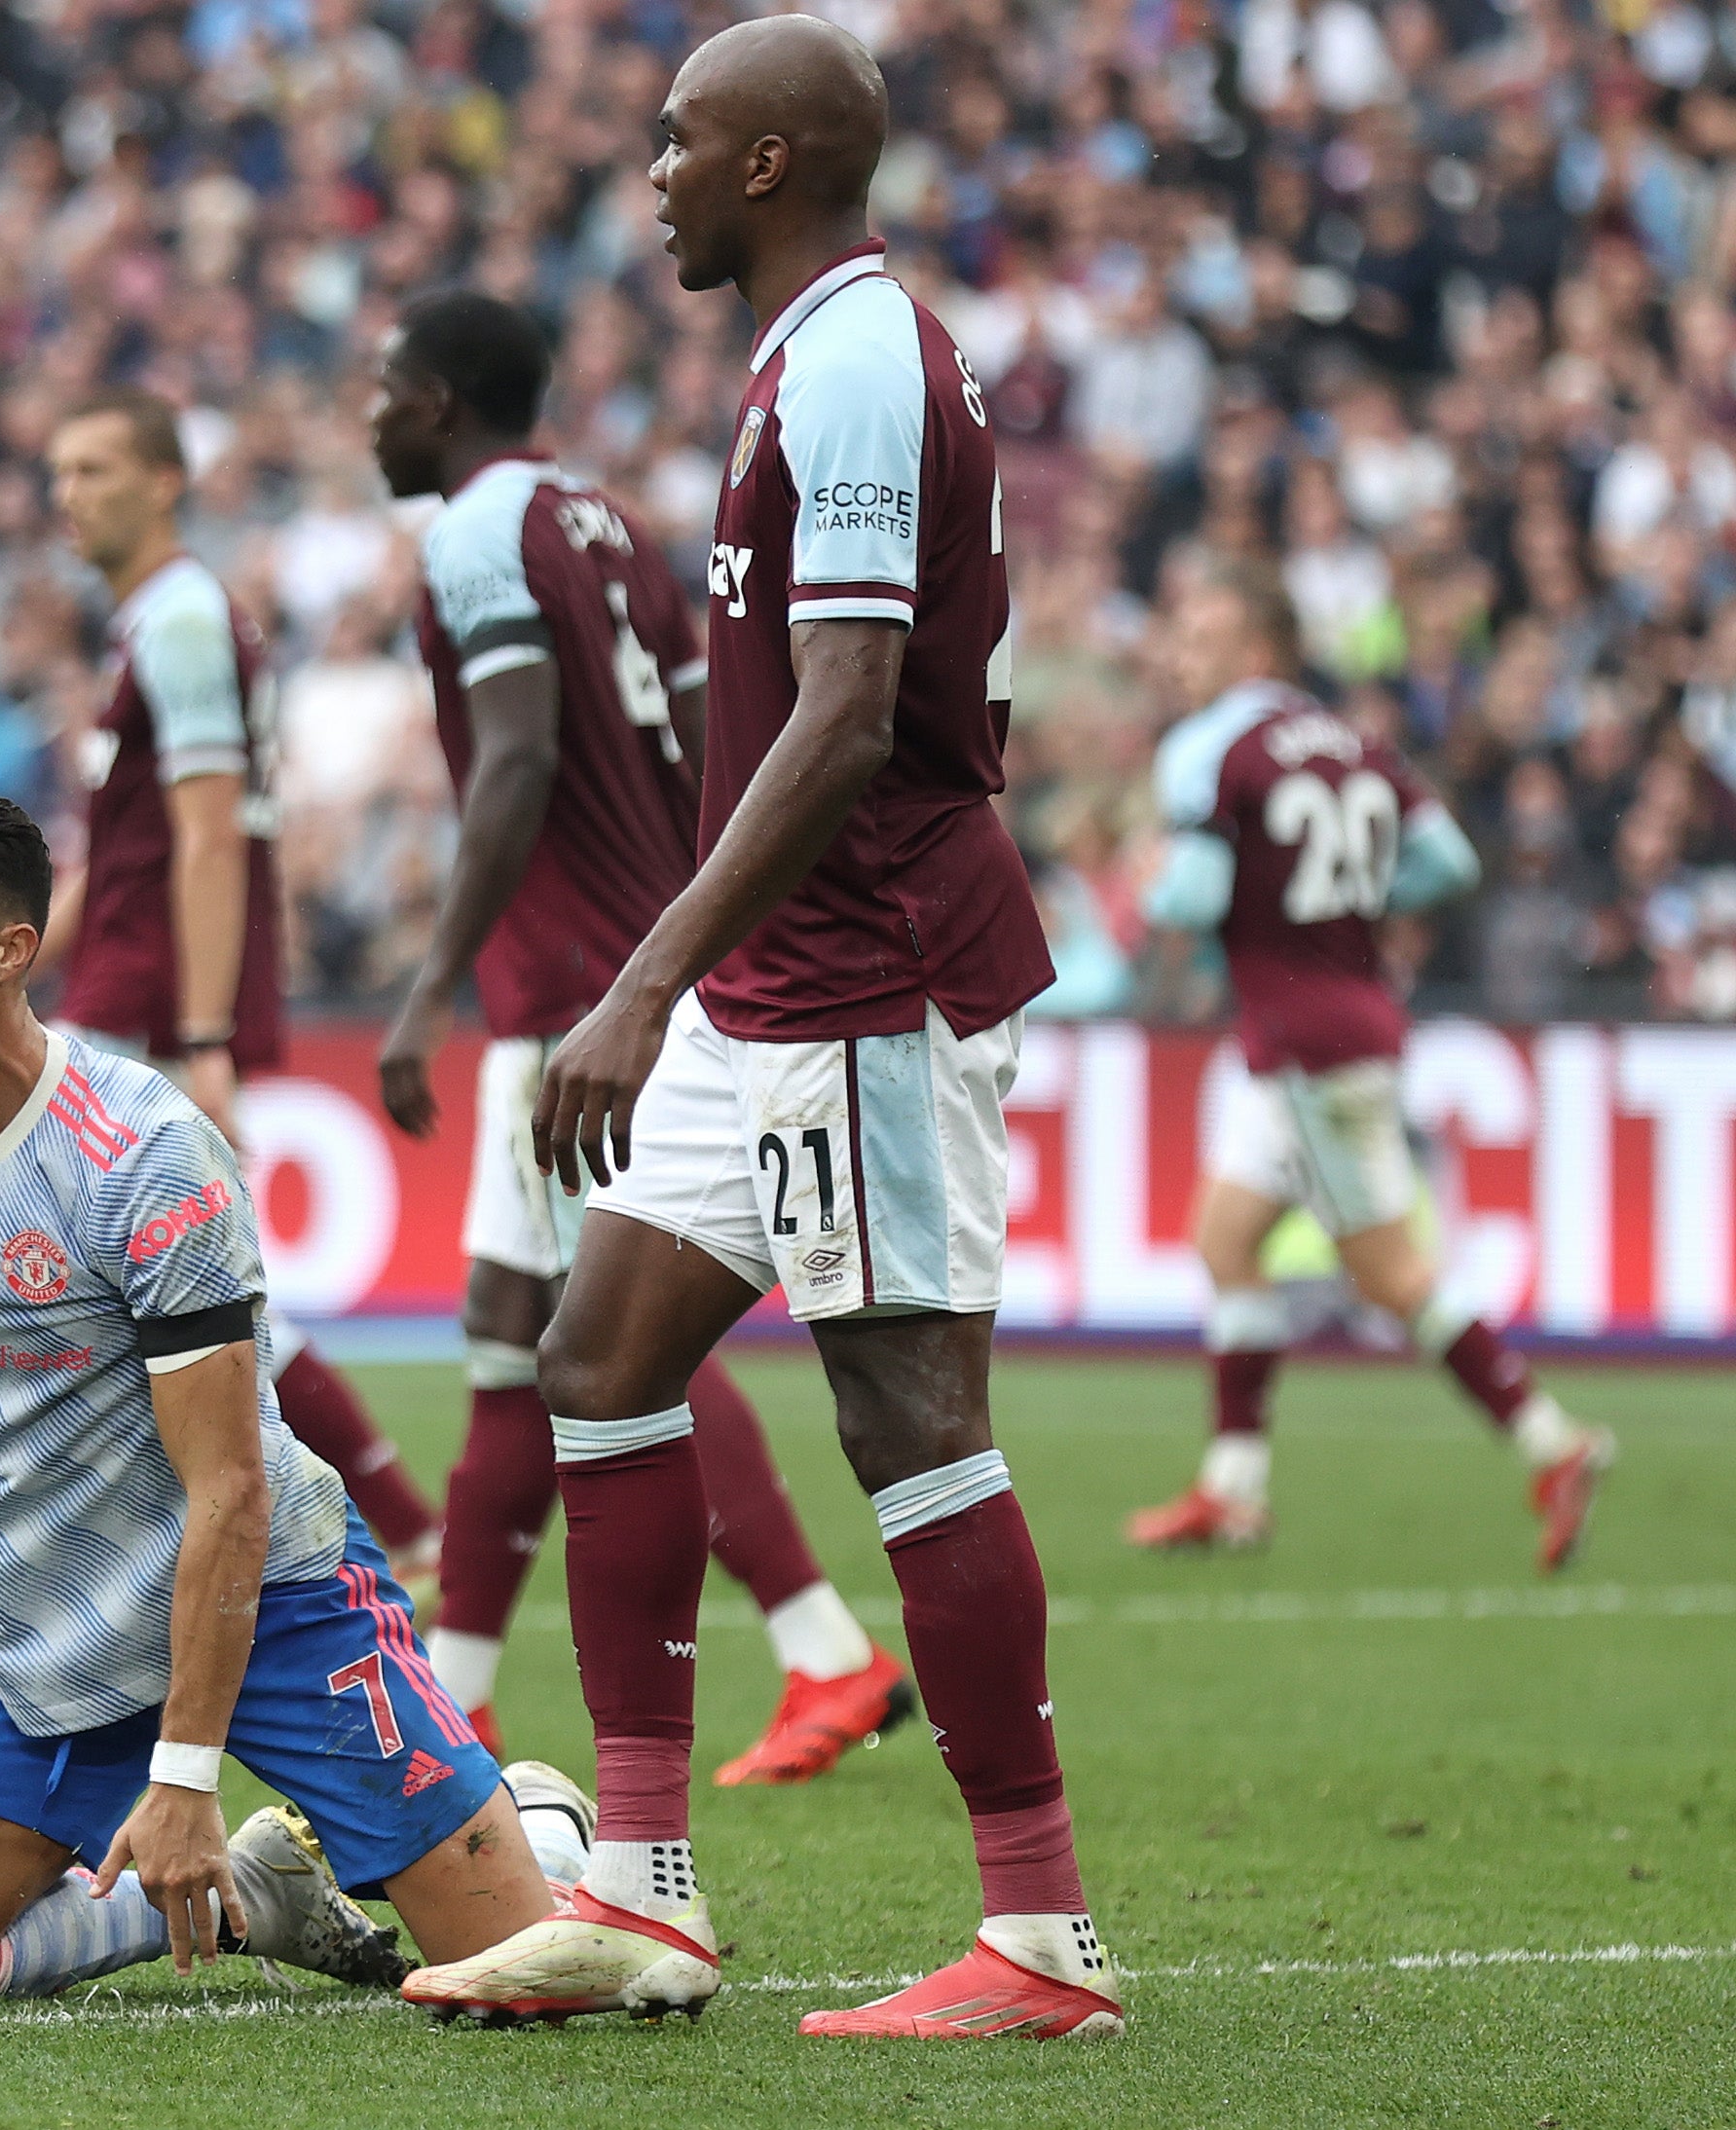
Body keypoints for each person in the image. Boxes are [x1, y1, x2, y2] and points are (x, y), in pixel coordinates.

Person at [400, 18, 1124, 2039]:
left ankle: (1040, 1936)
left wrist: (638, 976)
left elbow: (848, 710)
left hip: (871, 964)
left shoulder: (869, 353)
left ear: (771, 159)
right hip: (771, 977)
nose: (648, 170)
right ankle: (637, 1888)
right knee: (598, 1347)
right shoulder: (802, 352)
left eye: (679, 141)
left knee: (907, 1411)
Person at [0, 790, 592, 2001]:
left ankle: (543, 1831)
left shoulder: (142, 1153)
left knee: (513, 1975)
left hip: (271, 1606)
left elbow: (229, 1484)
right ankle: (260, 1897)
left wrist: (185, 1772)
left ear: (12, 950)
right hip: (45, 1646)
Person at [369, 287, 914, 1781]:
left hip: (575, 998)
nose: (365, 419)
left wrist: (435, 981)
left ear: (436, 402)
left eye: (381, 390)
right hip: (639, 960)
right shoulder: (611, 528)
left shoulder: (475, 533)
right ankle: (456, 1703)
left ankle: (825, 1648)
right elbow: (711, 749)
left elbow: (520, 758)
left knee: (615, 1333)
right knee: (511, 1332)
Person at [0, 387, 442, 1664]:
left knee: (85, 1279)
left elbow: (210, 826)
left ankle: (5, 1576)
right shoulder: (154, 623)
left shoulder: (180, 619)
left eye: (96, 467)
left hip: (157, 994)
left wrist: (206, 1028)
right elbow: (135, 842)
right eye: (57, 471)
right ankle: (404, 1522)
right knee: (198, 1293)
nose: (68, 495)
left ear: (166, 482)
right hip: (122, 978)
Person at [1127, 560, 1611, 1566]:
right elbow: (1450, 865)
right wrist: (1342, 907)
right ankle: (1234, 1489)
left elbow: (1189, 901)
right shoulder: (1359, 744)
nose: (1184, 650)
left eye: (1205, 632)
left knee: (1389, 1272)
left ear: (1258, 646)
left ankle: (1553, 1439)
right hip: (1335, 1023)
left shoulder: (1213, 751)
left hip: (1308, 1044)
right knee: (1222, 1237)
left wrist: (1158, 883)